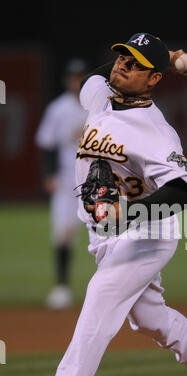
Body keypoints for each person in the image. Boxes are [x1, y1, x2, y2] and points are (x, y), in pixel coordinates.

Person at [34, 33, 187, 376]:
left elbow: (183, 189)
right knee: (149, 318)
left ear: (154, 80)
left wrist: (128, 213)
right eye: (121, 57)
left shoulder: (154, 131)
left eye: (133, 64)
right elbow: (94, 79)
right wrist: (165, 55)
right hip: (105, 235)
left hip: (147, 233)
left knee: (101, 300)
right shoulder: (100, 97)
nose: (121, 66)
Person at [35, 59, 88, 309]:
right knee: (63, 234)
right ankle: (62, 288)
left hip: (95, 182)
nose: (76, 81)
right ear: (67, 80)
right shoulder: (58, 109)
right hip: (67, 180)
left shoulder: (100, 106)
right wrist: (49, 174)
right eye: (73, 77)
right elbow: (46, 143)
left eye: (80, 76)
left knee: (109, 235)